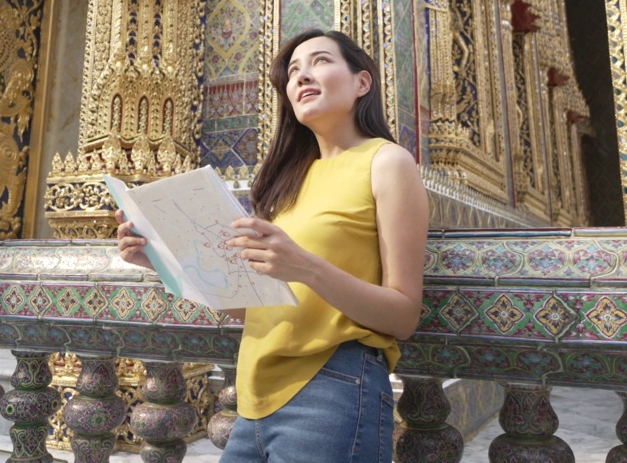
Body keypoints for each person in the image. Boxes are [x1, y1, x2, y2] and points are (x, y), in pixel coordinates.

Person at [117, 29, 429, 463]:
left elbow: (402, 314)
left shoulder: (386, 162)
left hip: (332, 387)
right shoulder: (287, 183)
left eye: (320, 61)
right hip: (252, 398)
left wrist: (308, 268)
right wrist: (163, 261)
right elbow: (255, 308)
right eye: (293, 71)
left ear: (362, 82)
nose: (301, 76)